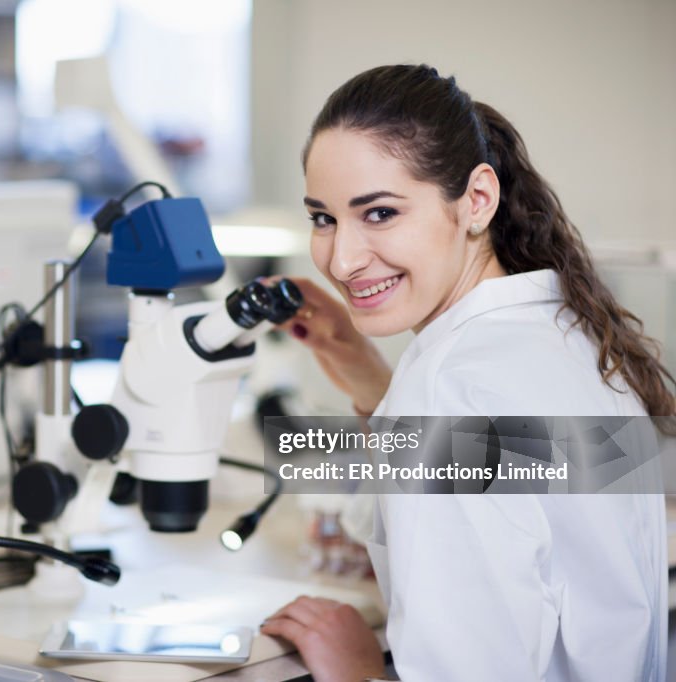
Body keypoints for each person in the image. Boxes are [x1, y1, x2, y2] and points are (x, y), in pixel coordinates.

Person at [260, 65, 673, 681]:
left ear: (477, 200)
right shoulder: (564, 332)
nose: (340, 260)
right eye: (323, 218)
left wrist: (357, 670)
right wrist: (367, 376)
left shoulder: (455, 385)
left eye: (378, 213)